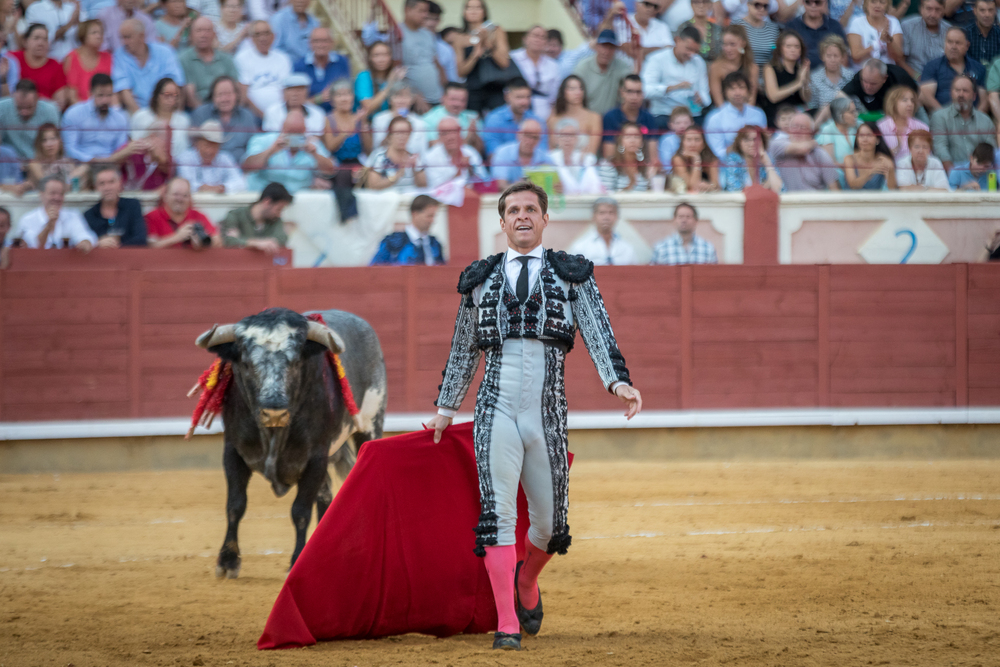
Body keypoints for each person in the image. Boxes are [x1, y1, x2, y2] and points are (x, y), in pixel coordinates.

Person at [426, 180, 641, 653]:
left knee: (549, 525)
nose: (522, 216)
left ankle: (527, 578)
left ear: (545, 219)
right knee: (498, 517)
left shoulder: (571, 274)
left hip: (548, 414)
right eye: (513, 211)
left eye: (531, 209)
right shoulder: (479, 279)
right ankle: (507, 622)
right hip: (494, 409)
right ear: (501, 223)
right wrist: (445, 409)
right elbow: (463, 350)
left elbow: (598, 332)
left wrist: (617, 381)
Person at [242, 108, 336, 192]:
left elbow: (331, 171)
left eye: (298, 132)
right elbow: (247, 168)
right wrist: (271, 151)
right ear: (282, 128)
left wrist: (315, 155)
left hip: (299, 198)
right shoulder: (262, 140)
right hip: (265, 196)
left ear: (305, 130)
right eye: (290, 132)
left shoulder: (312, 144)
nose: (294, 136)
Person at [112, 19, 186, 113]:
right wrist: (140, 117)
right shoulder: (119, 56)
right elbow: (123, 90)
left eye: (128, 37)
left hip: (166, 110)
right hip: (135, 113)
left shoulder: (165, 52)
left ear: (141, 36)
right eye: (122, 38)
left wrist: (172, 115)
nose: (124, 42)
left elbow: (177, 85)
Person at [641, 26, 709, 127]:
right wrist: (673, 87)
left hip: (691, 115)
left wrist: (701, 98)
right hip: (664, 113)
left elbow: (706, 95)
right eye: (688, 49)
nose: (691, 54)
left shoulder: (698, 62)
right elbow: (645, 90)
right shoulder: (656, 59)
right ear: (677, 40)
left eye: (695, 51)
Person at [454, 0, 512, 114]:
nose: (474, 11)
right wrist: (475, 54)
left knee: (496, 124)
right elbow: (460, 72)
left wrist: (487, 44)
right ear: (464, 12)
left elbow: (504, 62)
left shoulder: (496, 31)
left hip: (495, 87)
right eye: (470, 8)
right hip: (473, 89)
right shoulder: (460, 38)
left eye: (478, 8)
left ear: (484, 12)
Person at [930, 74, 995, 170]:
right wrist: (955, 176)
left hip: (980, 172)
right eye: (957, 90)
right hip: (951, 174)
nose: (960, 94)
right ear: (951, 93)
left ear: (974, 96)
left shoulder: (985, 120)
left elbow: (990, 151)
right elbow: (940, 150)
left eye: (965, 91)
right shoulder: (939, 117)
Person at [189, 75, 260, 162]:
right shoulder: (201, 113)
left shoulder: (247, 116)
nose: (224, 99)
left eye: (228, 94)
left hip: (240, 168)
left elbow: (253, 147)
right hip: (208, 165)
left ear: (236, 95)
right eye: (220, 94)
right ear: (213, 97)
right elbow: (194, 146)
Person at [17, 176, 97, 251]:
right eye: (53, 193)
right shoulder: (28, 219)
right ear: (41, 194)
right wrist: (48, 226)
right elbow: (33, 247)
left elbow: (83, 235)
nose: (57, 198)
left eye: (61, 194)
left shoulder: (73, 215)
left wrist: (85, 242)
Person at [919, 26, 987, 110]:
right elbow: (926, 96)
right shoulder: (932, 66)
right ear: (945, 43)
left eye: (958, 43)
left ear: (967, 45)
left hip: (972, 119)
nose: (953, 47)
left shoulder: (978, 68)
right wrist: (945, 118)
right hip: (942, 118)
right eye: (950, 42)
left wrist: (976, 119)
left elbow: (984, 100)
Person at [235, 20, 293, 117]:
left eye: (266, 33)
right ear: (251, 38)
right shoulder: (242, 58)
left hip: (280, 114)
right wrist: (264, 116)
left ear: (273, 36)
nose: (262, 38)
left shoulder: (283, 58)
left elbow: (287, 91)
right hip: (252, 113)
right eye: (257, 34)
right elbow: (243, 95)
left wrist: (276, 116)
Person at [769, 112, 841, 190]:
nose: (797, 130)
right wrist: (815, 142)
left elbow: (834, 187)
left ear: (811, 133)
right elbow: (803, 149)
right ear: (789, 130)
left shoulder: (820, 153)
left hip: (814, 200)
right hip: (787, 200)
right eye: (794, 126)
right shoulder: (777, 144)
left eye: (803, 127)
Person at [180, 17, 240, 109]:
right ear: (191, 35)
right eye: (199, 31)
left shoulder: (226, 59)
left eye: (208, 30)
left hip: (226, 107)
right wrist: (204, 113)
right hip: (198, 109)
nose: (203, 35)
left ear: (214, 34)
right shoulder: (184, 59)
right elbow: (189, 94)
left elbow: (236, 88)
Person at [572, 30, 634, 118]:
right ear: (596, 46)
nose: (606, 51)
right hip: (587, 118)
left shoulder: (622, 67)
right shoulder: (583, 68)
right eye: (603, 46)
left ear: (615, 50)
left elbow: (633, 87)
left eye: (611, 48)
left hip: (612, 120)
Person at [83, 163, 148, 247]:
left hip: (129, 258)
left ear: (120, 183)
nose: (107, 188)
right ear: (95, 187)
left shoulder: (133, 206)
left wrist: (117, 246)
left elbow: (141, 239)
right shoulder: (89, 215)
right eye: (102, 183)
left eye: (111, 182)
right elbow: (82, 242)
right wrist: (97, 243)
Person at [145, 176, 220, 249]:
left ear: (190, 198)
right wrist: (177, 237)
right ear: (165, 196)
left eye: (185, 195)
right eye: (176, 194)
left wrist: (203, 242)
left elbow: (218, 240)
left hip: (193, 261)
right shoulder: (152, 217)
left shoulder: (198, 216)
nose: (180, 199)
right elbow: (149, 246)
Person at [704, 70, 766, 157]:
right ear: (725, 92)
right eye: (732, 88)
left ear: (748, 91)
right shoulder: (715, 118)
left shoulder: (759, 114)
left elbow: (764, 145)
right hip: (728, 166)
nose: (737, 93)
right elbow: (718, 153)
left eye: (741, 87)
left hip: (757, 164)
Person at [218, 181, 294, 252]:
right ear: (267, 202)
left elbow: (281, 239)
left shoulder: (275, 219)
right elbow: (228, 241)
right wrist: (258, 243)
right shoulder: (235, 215)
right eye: (278, 209)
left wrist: (243, 240)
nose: (279, 214)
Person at [370, 194, 444, 265]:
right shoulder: (392, 242)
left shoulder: (434, 243)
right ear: (415, 214)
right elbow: (376, 270)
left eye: (433, 216)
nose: (432, 221)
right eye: (429, 216)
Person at [176, 119, 247, 192]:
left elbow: (240, 182)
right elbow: (184, 182)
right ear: (197, 144)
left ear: (219, 147)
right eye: (206, 145)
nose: (209, 151)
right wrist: (203, 188)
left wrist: (223, 187)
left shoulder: (225, 157)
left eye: (214, 146)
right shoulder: (186, 157)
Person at [130, 77, 192, 160]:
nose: (171, 99)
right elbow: (134, 146)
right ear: (157, 95)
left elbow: (186, 151)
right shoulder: (140, 116)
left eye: (175, 96)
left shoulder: (184, 120)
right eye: (167, 95)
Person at [420, 116, 489, 189]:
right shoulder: (430, 157)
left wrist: (471, 170)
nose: (450, 137)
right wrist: (459, 171)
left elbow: (485, 182)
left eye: (454, 132)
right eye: (445, 133)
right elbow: (436, 189)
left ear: (460, 133)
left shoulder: (471, 152)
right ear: (439, 136)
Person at [293, 27, 351, 113]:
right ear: (310, 43)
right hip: (309, 114)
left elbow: (347, 90)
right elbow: (295, 102)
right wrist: (319, 98)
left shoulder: (341, 61)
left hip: (336, 114)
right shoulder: (300, 65)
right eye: (316, 41)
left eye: (325, 41)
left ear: (332, 43)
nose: (321, 44)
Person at [364, 115, 428, 191]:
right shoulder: (379, 156)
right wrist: (398, 174)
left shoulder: (413, 157)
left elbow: (423, 186)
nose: (402, 137)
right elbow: (372, 186)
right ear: (390, 135)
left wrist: (416, 169)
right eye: (397, 133)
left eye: (405, 133)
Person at [508, 25, 559, 122]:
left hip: (544, 112)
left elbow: (554, 96)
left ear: (546, 43)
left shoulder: (553, 65)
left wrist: (552, 117)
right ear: (525, 39)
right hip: (516, 110)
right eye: (535, 35)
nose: (538, 39)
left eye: (542, 37)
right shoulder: (513, 58)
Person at [482, 79, 544, 158]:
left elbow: (542, 152)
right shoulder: (494, 119)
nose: (524, 102)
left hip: (531, 167)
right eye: (519, 97)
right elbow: (493, 154)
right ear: (507, 97)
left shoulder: (536, 120)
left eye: (528, 97)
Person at [400, 0, 444, 110]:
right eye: (421, 11)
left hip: (438, 97)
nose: (425, 15)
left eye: (426, 11)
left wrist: (445, 89)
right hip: (416, 101)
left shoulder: (428, 34)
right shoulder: (397, 33)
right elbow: (396, 70)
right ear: (407, 10)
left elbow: (434, 61)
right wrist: (415, 96)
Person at [0, 79, 60, 159]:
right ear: (13, 98)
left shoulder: (50, 111)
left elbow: (56, 145)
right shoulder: (2, 108)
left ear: (37, 99)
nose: (24, 112)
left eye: (29, 107)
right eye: (19, 108)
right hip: (11, 162)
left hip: (41, 162)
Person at [762, 31, 812, 127]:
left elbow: (806, 98)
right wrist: (798, 83)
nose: (793, 50)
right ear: (780, 48)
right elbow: (773, 96)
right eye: (788, 46)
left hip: (797, 112)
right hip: (778, 115)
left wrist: (804, 81)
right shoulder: (770, 68)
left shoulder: (800, 68)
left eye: (796, 47)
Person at [12, 24, 70, 107]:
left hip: (44, 114)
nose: (41, 43)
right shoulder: (13, 59)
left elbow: (60, 101)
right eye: (36, 38)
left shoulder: (55, 66)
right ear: (25, 41)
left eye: (45, 39)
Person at [602, 75, 657, 161]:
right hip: (617, 168)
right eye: (630, 92)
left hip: (643, 168)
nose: (634, 97)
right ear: (622, 92)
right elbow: (609, 155)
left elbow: (653, 157)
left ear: (643, 94)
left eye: (638, 92)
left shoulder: (649, 118)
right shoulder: (610, 117)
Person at [568, 197, 637, 265]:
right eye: (602, 213)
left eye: (611, 213)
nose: (606, 217)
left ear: (617, 217)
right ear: (593, 216)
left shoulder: (627, 248)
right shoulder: (581, 248)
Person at [546, 75, 602, 156]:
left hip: (584, 164)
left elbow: (592, 152)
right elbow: (551, 150)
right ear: (563, 92)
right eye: (572, 89)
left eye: (581, 88)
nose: (578, 92)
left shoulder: (594, 117)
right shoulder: (553, 118)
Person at [490, 119, 552, 190]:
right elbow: (500, 185)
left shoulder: (545, 157)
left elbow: (554, 186)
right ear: (518, 134)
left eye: (535, 137)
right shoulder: (503, 153)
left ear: (540, 140)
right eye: (527, 136)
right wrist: (521, 187)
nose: (530, 141)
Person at [840, 58, 919, 113]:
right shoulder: (859, 78)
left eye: (873, 83)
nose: (867, 86)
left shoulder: (899, 78)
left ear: (884, 78)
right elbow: (840, 96)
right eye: (865, 81)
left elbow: (917, 98)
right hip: (874, 114)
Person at [262, 72, 330, 135]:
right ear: (283, 92)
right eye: (291, 90)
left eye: (300, 90)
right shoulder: (273, 111)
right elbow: (271, 137)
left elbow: (317, 139)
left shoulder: (317, 113)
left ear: (307, 92)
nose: (295, 94)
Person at [371, 83, 430, 155]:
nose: (402, 100)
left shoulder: (420, 123)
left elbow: (423, 153)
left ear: (412, 100)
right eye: (397, 96)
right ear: (390, 99)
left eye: (406, 96)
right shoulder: (379, 119)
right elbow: (377, 149)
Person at [651, 201, 717, 265]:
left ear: (696, 221)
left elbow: (714, 274)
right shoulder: (661, 248)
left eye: (688, 217)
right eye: (680, 217)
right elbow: (653, 274)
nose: (684, 220)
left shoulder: (708, 248)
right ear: (674, 220)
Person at [63, 19, 112, 105]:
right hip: (80, 109)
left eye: (101, 33)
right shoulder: (72, 58)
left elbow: (112, 91)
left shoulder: (107, 57)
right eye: (94, 33)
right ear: (83, 35)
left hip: (104, 107)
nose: (99, 36)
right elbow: (71, 96)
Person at [547, 118, 603, 195]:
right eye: (563, 135)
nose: (567, 139)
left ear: (577, 138)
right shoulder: (549, 158)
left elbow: (595, 185)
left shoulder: (588, 159)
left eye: (571, 135)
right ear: (557, 139)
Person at [721, 124, 783, 192]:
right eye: (747, 140)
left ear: (762, 142)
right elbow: (733, 190)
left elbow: (779, 189)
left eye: (755, 140)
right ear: (739, 143)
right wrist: (764, 188)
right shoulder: (733, 160)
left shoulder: (767, 158)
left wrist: (767, 162)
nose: (752, 144)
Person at [709, 25, 759, 108]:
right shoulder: (716, 67)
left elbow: (751, 98)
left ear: (743, 43)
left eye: (732, 44)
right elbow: (718, 101)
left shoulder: (752, 67)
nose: (728, 49)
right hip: (724, 112)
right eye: (725, 44)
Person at [847, 0, 906, 70]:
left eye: (882, 2)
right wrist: (878, 43)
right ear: (866, 3)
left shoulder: (893, 22)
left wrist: (889, 40)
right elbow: (856, 57)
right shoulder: (856, 23)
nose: (877, 5)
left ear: (887, 5)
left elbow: (898, 58)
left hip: (888, 72)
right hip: (863, 72)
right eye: (873, 1)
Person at [787, 0, 849, 66]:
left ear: (825, 2)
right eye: (808, 2)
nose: (813, 6)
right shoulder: (792, 26)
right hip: (800, 71)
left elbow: (844, 55)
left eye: (817, 2)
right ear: (803, 3)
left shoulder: (835, 26)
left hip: (829, 73)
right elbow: (781, 50)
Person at [26, 123, 87, 188]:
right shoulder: (34, 164)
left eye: (53, 139)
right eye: (44, 140)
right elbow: (47, 186)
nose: (49, 144)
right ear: (39, 144)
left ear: (60, 141)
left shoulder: (68, 162)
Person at [810, 36, 855, 123]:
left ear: (842, 57)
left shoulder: (851, 76)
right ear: (822, 57)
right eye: (828, 56)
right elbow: (813, 107)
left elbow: (856, 104)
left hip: (847, 122)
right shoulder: (814, 77)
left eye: (836, 56)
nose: (832, 60)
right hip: (824, 124)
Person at [423, 82, 482, 148]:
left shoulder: (473, 117)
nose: (457, 104)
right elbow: (433, 145)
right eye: (453, 99)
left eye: (462, 100)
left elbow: (480, 149)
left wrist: (474, 136)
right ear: (443, 98)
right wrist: (467, 139)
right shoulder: (428, 119)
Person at [600, 121, 655, 191]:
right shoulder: (608, 165)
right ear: (620, 141)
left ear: (642, 142)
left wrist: (652, 176)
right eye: (627, 136)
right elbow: (606, 195)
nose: (632, 140)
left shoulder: (646, 166)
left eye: (636, 136)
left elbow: (651, 193)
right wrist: (629, 186)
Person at [355, 40, 406, 116]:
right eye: (376, 55)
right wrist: (389, 84)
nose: (381, 59)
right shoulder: (364, 77)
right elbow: (368, 107)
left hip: (391, 121)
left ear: (391, 57)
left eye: (385, 55)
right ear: (370, 58)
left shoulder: (396, 75)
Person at [876, 85, 927, 158]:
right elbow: (877, 157)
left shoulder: (922, 127)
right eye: (905, 100)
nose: (910, 104)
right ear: (893, 103)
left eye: (912, 101)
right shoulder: (880, 127)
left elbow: (928, 155)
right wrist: (897, 147)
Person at [901, 0, 950, 76]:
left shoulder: (949, 30)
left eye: (937, 10)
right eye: (929, 9)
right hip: (912, 79)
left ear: (943, 10)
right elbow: (901, 61)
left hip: (941, 79)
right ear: (921, 9)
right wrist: (918, 78)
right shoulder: (907, 26)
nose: (933, 15)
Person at [843, 120, 897, 188]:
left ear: (877, 139)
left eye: (869, 135)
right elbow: (853, 185)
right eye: (861, 135)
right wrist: (871, 172)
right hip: (851, 198)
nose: (865, 139)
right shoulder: (849, 159)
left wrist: (891, 170)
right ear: (857, 139)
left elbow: (892, 189)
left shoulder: (883, 160)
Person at [671, 126, 720, 192]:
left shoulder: (711, 159)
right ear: (683, 142)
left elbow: (717, 186)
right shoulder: (678, 159)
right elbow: (691, 186)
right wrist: (696, 160)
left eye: (697, 139)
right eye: (689, 139)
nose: (693, 144)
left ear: (703, 144)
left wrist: (709, 186)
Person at [735, 0, 780, 68]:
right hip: (742, 72)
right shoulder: (737, 26)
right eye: (757, 5)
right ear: (748, 4)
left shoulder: (773, 29)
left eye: (765, 6)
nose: (762, 9)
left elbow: (775, 50)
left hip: (766, 74)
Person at [817, 95, 860, 162]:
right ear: (840, 115)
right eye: (852, 112)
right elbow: (830, 161)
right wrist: (849, 171)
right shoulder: (828, 130)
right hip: (838, 171)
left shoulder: (858, 126)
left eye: (855, 111)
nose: (856, 114)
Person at [425, 2, 458, 84]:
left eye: (435, 19)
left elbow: (452, 80)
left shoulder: (446, 49)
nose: (431, 23)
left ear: (439, 20)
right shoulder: (404, 41)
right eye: (427, 18)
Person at [657, 105, 693, 173]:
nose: (682, 126)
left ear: (692, 123)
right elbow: (666, 164)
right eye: (678, 123)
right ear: (671, 125)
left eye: (686, 123)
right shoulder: (666, 140)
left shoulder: (695, 137)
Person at [964, 0, 1000, 67]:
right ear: (975, 11)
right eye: (982, 10)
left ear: (995, 11)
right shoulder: (965, 34)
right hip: (971, 75)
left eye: (990, 10)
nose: (987, 15)